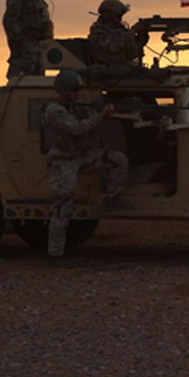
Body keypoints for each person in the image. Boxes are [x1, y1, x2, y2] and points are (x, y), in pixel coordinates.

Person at [42, 69, 129, 265]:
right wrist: (101, 116)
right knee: (61, 208)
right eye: (73, 89)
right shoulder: (55, 111)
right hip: (63, 160)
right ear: (62, 90)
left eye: (78, 89)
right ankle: (55, 255)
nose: (77, 93)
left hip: (82, 157)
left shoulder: (75, 107)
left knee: (117, 160)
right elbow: (77, 129)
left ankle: (112, 198)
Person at [3, 0, 54, 79]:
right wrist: (20, 44)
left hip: (39, 50)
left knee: (37, 83)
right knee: (20, 84)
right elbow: (10, 22)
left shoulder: (40, 0)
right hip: (24, 53)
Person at [87, 0, 148, 70]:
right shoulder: (98, 32)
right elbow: (112, 47)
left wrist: (141, 36)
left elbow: (133, 52)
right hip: (107, 71)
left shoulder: (120, 30)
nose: (120, 20)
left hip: (125, 69)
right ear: (107, 15)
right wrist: (131, 33)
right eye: (118, 16)